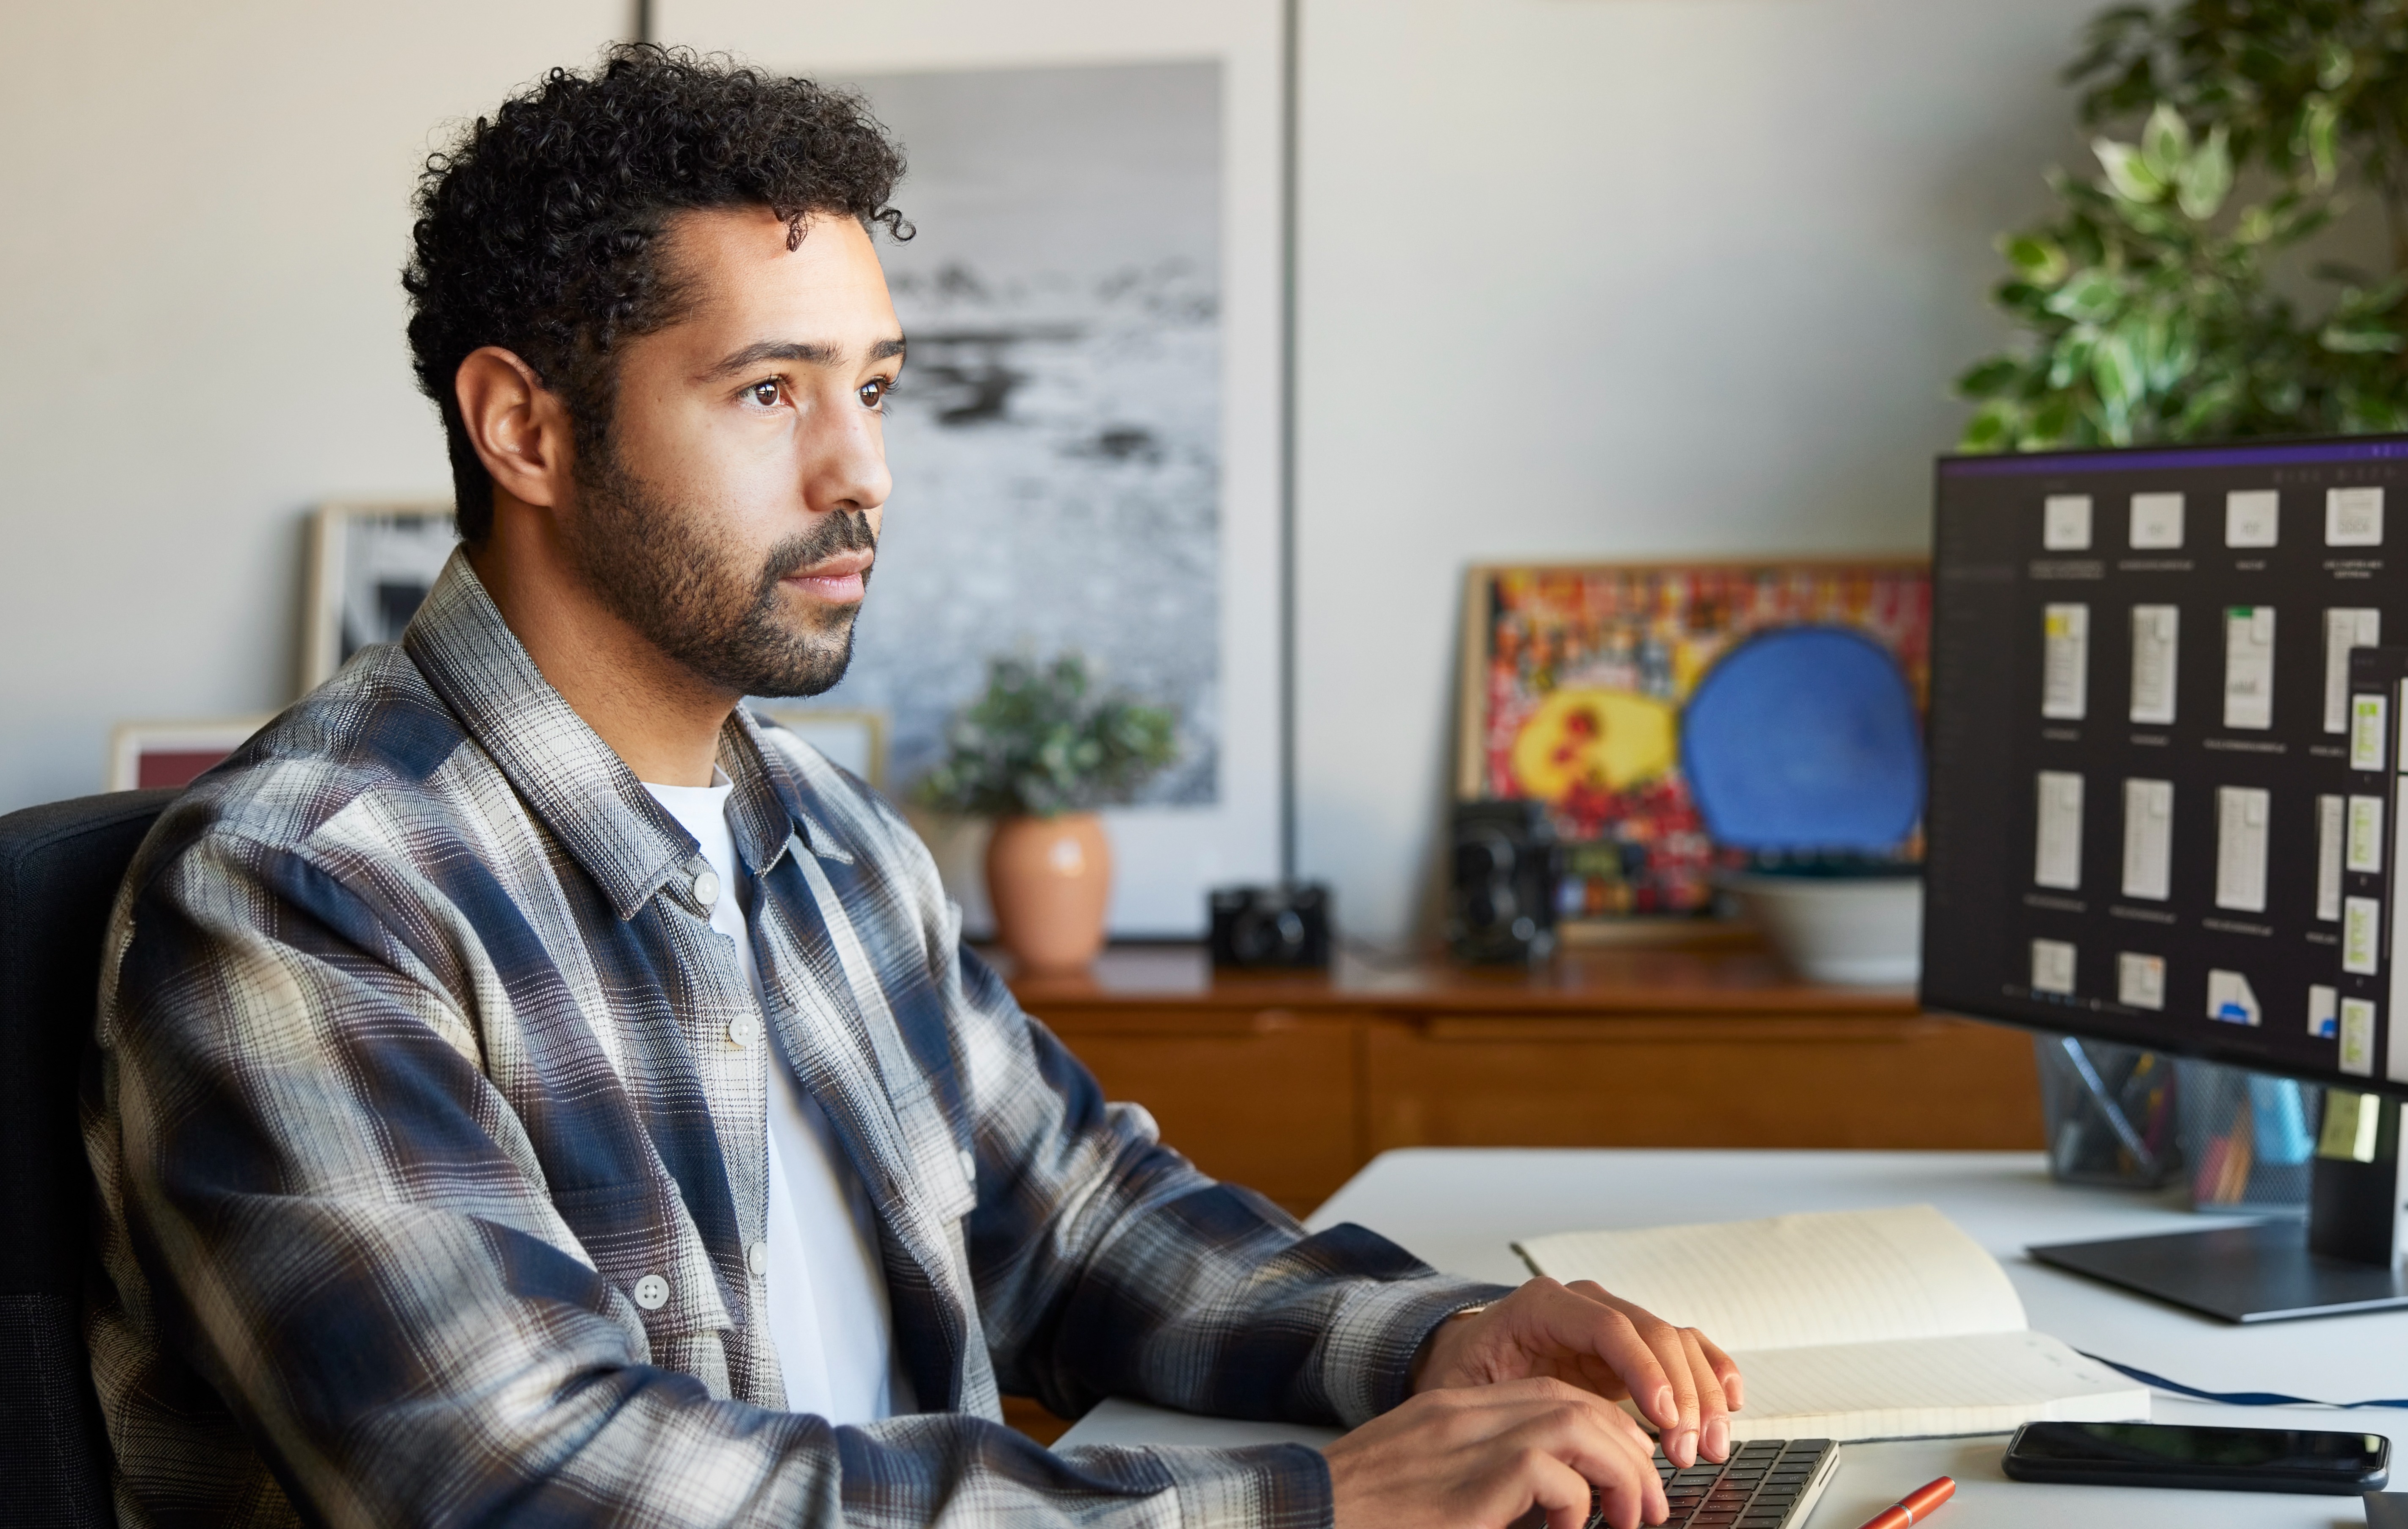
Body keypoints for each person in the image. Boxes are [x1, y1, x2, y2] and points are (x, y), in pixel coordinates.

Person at [86, 46, 1740, 1529]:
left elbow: (1075, 1222)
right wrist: (1294, 1508)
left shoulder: (833, 842)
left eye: (871, 388)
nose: (862, 470)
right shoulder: (307, 891)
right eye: (769, 391)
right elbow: (525, 1481)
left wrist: (1437, 1342)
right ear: (524, 428)